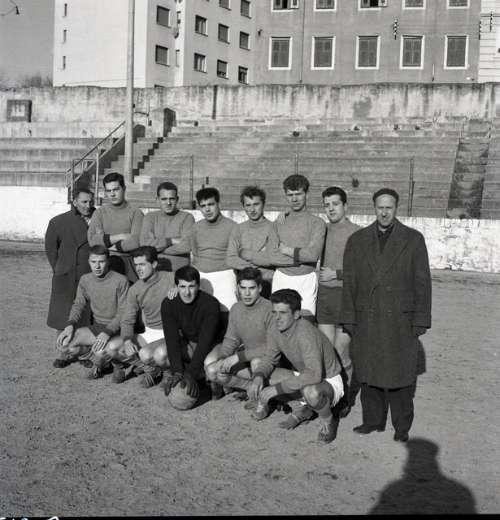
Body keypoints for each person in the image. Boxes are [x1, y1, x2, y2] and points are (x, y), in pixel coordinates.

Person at [341, 188, 432, 443]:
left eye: (389, 208)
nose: (384, 213)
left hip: (399, 318)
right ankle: (372, 421)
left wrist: (421, 319)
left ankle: (401, 427)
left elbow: (422, 282)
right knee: (368, 371)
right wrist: (349, 318)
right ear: (374, 208)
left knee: (400, 375)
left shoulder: (413, 239)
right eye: (380, 207)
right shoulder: (357, 240)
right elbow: (349, 283)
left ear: (396, 209)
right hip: (367, 317)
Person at [248, 289, 344, 444]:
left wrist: (276, 389)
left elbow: (314, 375)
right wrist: (258, 377)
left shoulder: (305, 333)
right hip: (304, 374)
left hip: (328, 380)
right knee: (258, 365)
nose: (277, 317)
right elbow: (270, 358)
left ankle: (328, 420)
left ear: (296, 314)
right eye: (274, 312)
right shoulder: (275, 328)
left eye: (283, 313)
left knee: (311, 391)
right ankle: (304, 409)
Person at [241, 175, 325, 320]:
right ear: (285, 196)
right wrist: (300, 259)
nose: (294, 199)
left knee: (305, 322)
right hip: (282, 278)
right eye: (290, 195)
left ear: (307, 194)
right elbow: (272, 257)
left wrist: (287, 250)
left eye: (298, 194)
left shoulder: (317, 223)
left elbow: (313, 255)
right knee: (279, 322)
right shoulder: (278, 223)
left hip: (306, 279)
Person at [317, 186, 361, 416]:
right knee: (327, 351)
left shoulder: (358, 233)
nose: (331, 208)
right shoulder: (322, 230)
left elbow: (366, 270)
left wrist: (337, 274)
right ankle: (332, 394)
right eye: (327, 205)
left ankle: (347, 398)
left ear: (345, 206)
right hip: (325, 296)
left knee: (341, 351)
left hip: (347, 298)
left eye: (335, 204)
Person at [55, 245, 129, 378]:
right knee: (64, 345)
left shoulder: (121, 280)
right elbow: (79, 304)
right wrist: (70, 325)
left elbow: (124, 311)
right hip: (97, 327)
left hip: (116, 329)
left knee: (102, 353)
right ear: (89, 261)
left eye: (101, 261)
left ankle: (117, 363)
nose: (97, 266)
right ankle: (95, 357)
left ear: (108, 261)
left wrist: (108, 332)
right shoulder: (85, 279)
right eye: (93, 262)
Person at [162, 187, 237, 317]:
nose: (207, 209)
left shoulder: (233, 227)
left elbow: (236, 255)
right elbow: (189, 248)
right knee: (201, 316)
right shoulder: (196, 227)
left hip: (225, 276)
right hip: (202, 277)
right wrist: (159, 248)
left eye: (211, 204)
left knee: (226, 316)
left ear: (219, 204)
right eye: (203, 206)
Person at [107, 246, 176, 387]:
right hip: (150, 332)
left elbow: (193, 287)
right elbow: (127, 319)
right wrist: (127, 340)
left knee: (147, 354)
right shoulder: (135, 289)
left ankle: (168, 372)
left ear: (154, 264)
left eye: (142, 264)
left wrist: (179, 289)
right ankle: (151, 370)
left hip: (170, 332)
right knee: (112, 347)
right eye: (136, 265)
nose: (138, 269)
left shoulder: (171, 278)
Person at [204, 267, 274, 397]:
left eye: (252, 288)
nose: (247, 293)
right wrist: (223, 358)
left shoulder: (270, 309)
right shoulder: (236, 308)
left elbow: (272, 347)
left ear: (259, 288)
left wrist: (237, 357)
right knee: (212, 370)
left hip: (268, 362)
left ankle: (263, 399)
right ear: (238, 288)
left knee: (256, 362)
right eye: (243, 288)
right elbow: (231, 339)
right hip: (247, 359)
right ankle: (249, 389)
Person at [45, 188, 95, 366]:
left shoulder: (99, 218)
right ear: (74, 202)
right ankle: (63, 353)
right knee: (63, 315)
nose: (88, 205)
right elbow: (51, 250)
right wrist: (60, 269)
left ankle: (83, 353)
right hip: (66, 276)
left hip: (89, 274)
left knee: (86, 314)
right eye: (84, 202)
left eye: (91, 201)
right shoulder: (58, 222)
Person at [160, 265, 222, 408]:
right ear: (176, 287)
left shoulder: (211, 304)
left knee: (209, 363)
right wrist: (177, 371)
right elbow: (172, 340)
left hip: (214, 343)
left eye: (191, 286)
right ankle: (191, 376)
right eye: (182, 287)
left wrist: (190, 373)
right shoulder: (168, 303)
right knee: (160, 354)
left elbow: (205, 342)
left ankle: (215, 383)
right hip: (191, 341)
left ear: (198, 286)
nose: (187, 292)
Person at [226, 185, 294, 299]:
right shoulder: (238, 229)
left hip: (267, 282)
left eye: (256, 204)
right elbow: (230, 258)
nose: (252, 209)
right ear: (243, 206)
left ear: (263, 204)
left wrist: (245, 254)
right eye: (248, 205)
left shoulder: (274, 228)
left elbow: (273, 259)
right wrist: (254, 265)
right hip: (245, 285)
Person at [88, 172, 144, 283]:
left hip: (129, 266)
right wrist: (121, 236)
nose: (112, 194)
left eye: (116, 189)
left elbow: (136, 241)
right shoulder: (100, 213)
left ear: (124, 189)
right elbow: (93, 240)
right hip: (105, 265)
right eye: (109, 191)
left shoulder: (136, 212)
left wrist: (107, 242)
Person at [140, 181, 195, 272]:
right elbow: (144, 245)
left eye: (172, 199)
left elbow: (187, 246)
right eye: (164, 199)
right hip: (156, 273)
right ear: (157, 199)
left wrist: (157, 247)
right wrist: (171, 241)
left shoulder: (187, 217)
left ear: (177, 199)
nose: (168, 203)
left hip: (180, 273)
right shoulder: (150, 217)